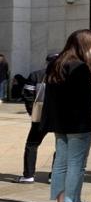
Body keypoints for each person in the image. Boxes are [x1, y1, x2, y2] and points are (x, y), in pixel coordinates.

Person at [40, 30, 91, 202]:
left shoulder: (55, 65)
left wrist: (89, 77)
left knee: (60, 163)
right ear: (85, 46)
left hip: (59, 122)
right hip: (79, 123)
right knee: (77, 165)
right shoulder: (79, 67)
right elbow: (84, 97)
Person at [15, 53, 59, 184]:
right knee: (61, 146)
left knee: (32, 145)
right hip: (60, 116)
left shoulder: (36, 75)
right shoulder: (65, 75)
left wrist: (31, 112)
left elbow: (28, 95)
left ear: (46, 62)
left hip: (40, 115)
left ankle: (28, 175)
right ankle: (54, 176)